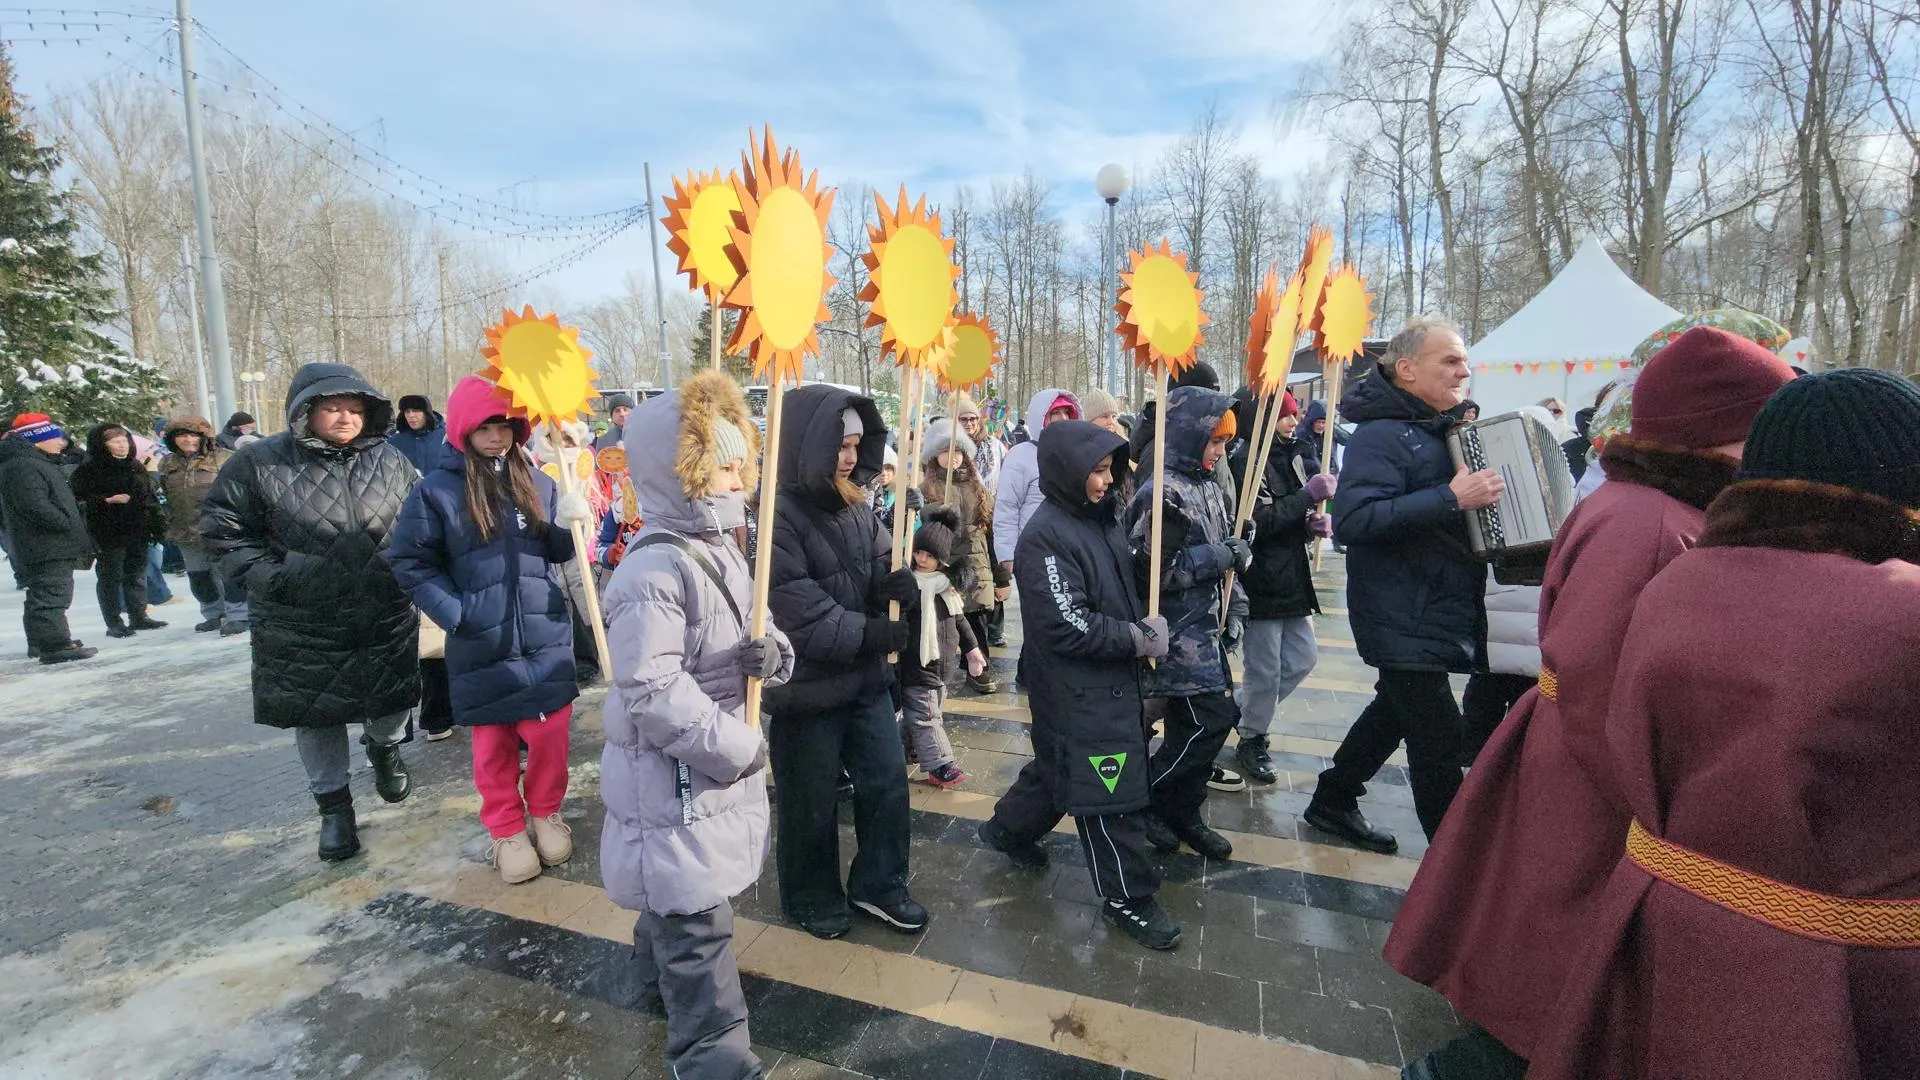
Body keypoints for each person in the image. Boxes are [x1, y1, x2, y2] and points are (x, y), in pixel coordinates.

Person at [1387, 326, 1795, 1080]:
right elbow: (1595, 675)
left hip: (1591, 770)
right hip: (1591, 784)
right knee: (1547, 979)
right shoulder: (1645, 523)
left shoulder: (1660, 510)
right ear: (1715, 434)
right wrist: (1659, 805)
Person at [1527, 368, 1920, 1080]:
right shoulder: (1656, 529)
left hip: (1682, 914)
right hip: (1831, 970)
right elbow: (1593, 680)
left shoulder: (1689, 569)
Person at [600, 372, 794, 1080]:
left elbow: (759, 630)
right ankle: (717, 1061)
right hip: (678, 778)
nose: (738, 475)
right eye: (723, 462)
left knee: (679, 910)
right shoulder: (652, 568)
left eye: (742, 460)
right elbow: (651, 687)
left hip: (703, 774)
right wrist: (737, 747)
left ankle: (651, 982)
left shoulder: (726, 549)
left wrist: (771, 657)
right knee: (696, 926)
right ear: (680, 472)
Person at [200, 363, 422, 862]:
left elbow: (421, 520)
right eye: (332, 407)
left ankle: (384, 748)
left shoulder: (392, 460)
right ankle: (334, 807)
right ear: (306, 411)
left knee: (393, 696)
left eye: (355, 408)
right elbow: (223, 533)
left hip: (382, 607)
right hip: (302, 618)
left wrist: (416, 570)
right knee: (317, 713)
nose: (345, 417)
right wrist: (280, 578)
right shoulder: (258, 463)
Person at [976, 420, 1179, 949]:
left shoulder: (1100, 518)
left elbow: (1116, 582)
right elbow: (1067, 624)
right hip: (1077, 689)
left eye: (1111, 469)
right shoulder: (1043, 538)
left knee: (1060, 768)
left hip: (1110, 684)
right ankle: (1127, 896)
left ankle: (1008, 829)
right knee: (1109, 794)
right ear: (1066, 473)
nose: (1106, 482)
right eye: (1096, 471)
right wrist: (1135, 639)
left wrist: (1155, 558)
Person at [1304, 318, 1502, 854]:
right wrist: (1451, 499)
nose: (1463, 371)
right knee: (1438, 742)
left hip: (1430, 607)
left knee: (1394, 709)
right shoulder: (1380, 434)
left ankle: (1333, 797)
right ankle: (1453, 871)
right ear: (1407, 369)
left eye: (1463, 361)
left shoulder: (1436, 429)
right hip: (1399, 611)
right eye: (1450, 360)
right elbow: (1354, 521)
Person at [386, 375, 589, 884]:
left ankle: (544, 811)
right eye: (486, 427)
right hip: (480, 641)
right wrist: (457, 614)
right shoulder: (436, 492)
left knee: (549, 734)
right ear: (462, 429)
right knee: (492, 744)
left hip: (543, 637)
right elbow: (409, 561)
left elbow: (556, 552)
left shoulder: (538, 482)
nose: (497, 436)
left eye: (505, 425)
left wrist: (571, 521)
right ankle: (505, 828)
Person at [765, 384, 927, 940]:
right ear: (808, 442)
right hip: (807, 690)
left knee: (886, 783)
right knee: (808, 799)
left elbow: (880, 564)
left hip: (864, 681)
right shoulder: (776, 516)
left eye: (858, 443)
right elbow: (797, 610)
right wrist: (870, 632)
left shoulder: (857, 504)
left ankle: (880, 883)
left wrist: (898, 586)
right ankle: (809, 894)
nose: (851, 455)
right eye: (839, 442)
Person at [1126, 387, 1248, 861]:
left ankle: (1183, 810)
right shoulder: (1160, 490)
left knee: (1192, 725)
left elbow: (1228, 561)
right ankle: (1148, 797)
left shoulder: (1209, 486)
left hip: (1208, 630)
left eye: (1225, 444)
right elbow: (1146, 572)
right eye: (1213, 442)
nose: (1220, 453)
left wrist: (1235, 603)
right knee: (1212, 723)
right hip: (1176, 635)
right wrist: (1214, 558)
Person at [1228, 392, 1330, 784]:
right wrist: (1308, 496)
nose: (1293, 421)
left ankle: (1241, 711)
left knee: (1303, 658)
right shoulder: (1246, 462)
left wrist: (1310, 525)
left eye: (1293, 415)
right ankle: (1253, 737)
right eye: (1284, 416)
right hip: (1261, 580)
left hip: (1292, 577)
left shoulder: (1292, 454)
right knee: (1265, 672)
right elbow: (1260, 522)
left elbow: (1291, 517)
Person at [896, 506, 982, 788]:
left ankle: (905, 751)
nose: (922, 559)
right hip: (916, 664)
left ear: (941, 559)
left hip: (943, 667)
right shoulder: (908, 585)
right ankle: (941, 764)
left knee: (926, 714)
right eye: (919, 552)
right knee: (926, 717)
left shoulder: (946, 588)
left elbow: (960, 622)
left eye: (929, 556)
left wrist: (972, 651)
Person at [0, 414, 96, 663]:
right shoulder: (23, 465)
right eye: (54, 437)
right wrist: (66, 523)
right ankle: (55, 645)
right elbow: (35, 505)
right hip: (46, 542)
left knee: (45, 593)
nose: (61, 442)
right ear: (36, 439)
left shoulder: (31, 461)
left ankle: (44, 641)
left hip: (46, 541)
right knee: (52, 593)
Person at [917, 416, 1002, 694]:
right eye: (945, 450)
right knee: (946, 620)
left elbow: (993, 535)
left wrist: (1002, 577)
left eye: (956, 450)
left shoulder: (978, 490)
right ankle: (938, 668)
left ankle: (979, 669)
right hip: (942, 568)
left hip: (976, 565)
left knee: (976, 622)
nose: (951, 457)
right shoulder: (926, 491)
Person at [69, 423, 166, 639]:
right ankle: (113, 621)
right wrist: (105, 500)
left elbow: (147, 496)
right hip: (107, 530)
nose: (122, 446)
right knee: (110, 577)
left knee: (136, 573)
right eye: (115, 441)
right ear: (101, 445)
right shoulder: (88, 470)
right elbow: (76, 500)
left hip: (137, 527)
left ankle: (138, 615)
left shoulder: (135, 465)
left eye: (124, 441)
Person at [156, 417, 247, 634]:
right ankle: (213, 613)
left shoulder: (224, 459)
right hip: (184, 529)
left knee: (228, 573)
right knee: (200, 577)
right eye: (182, 436)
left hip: (220, 527)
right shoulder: (167, 464)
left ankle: (239, 614)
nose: (188, 440)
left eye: (193, 435)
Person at [991, 388, 1080, 573]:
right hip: (1034, 554)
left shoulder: (1077, 453)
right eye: (1055, 412)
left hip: (1071, 554)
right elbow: (1007, 508)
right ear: (1041, 416)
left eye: (1066, 412)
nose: (1062, 418)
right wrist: (1008, 555)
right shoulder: (1021, 455)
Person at [387, 393, 445, 475]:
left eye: (416, 411)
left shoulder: (446, 438)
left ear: (426, 413)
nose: (411, 415)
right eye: (407, 412)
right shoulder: (394, 442)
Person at [955, 394, 1003, 490]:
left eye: (972, 419)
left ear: (978, 420)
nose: (969, 423)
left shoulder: (994, 444)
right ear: (957, 421)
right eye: (964, 419)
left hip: (990, 500)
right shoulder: (953, 445)